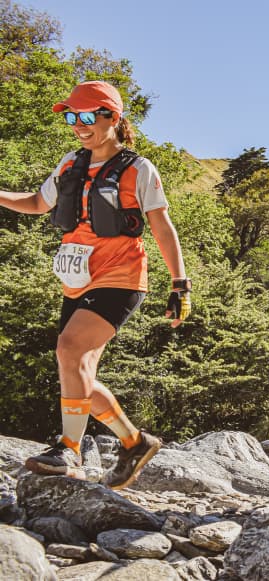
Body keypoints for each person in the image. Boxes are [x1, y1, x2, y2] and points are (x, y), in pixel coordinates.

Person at [1, 81, 189, 488]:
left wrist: (180, 284)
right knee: (78, 368)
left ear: (113, 117)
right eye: (71, 117)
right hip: (77, 280)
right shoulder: (71, 163)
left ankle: (69, 448)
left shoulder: (139, 169)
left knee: (69, 350)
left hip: (121, 277)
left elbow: (161, 225)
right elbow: (37, 203)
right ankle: (134, 442)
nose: (78, 125)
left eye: (87, 116)